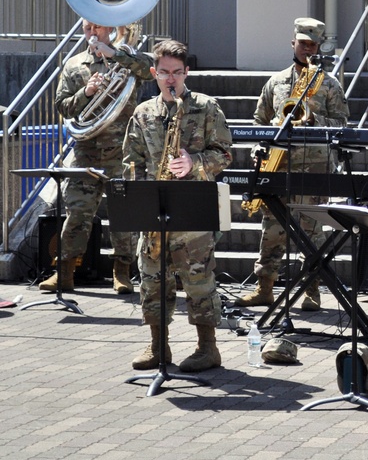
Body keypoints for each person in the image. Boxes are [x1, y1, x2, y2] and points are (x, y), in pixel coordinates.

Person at [123, 39, 233, 372]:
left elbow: (225, 154)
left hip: (193, 207)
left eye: (177, 73)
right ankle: (159, 346)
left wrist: (195, 162)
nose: (171, 80)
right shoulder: (143, 113)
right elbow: (132, 160)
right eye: (164, 73)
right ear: (154, 73)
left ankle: (207, 348)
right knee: (152, 278)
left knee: (198, 280)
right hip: (155, 207)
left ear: (187, 72)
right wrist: (137, 194)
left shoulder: (206, 107)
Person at [234, 17, 349, 311]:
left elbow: (341, 125)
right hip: (278, 165)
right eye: (302, 43)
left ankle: (311, 290)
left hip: (315, 168)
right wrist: (260, 147)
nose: (307, 49)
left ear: (319, 46)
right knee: (272, 229)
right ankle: (264, 288)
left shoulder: (330, 84)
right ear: (293, 43)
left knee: (311, 232)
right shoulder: (275, 82)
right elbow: (259, 122)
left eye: (313, 45)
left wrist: (314, 119)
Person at [40, 20, 153, 295]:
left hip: (122, 152)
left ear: (110, 29)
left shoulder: (127, 58)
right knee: (77, 212)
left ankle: (122, 273)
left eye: (98, 28)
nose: (92, 33)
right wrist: (87, 92)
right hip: (86, 151)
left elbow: (148, 71)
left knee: (122, 215)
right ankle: (64, 272)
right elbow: (62, 107)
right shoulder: (75, 64)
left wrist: (114, 54)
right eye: (87, 28)